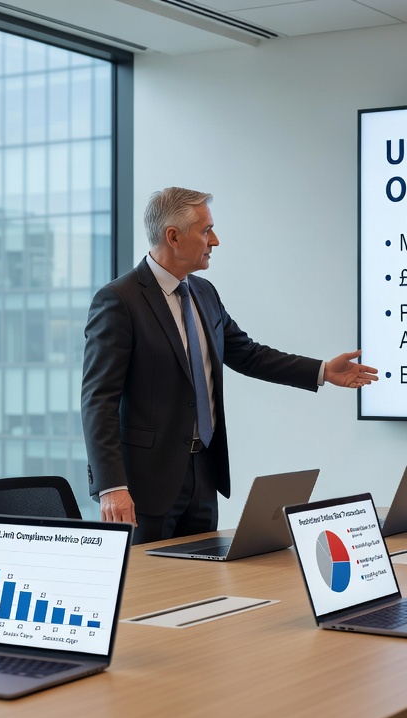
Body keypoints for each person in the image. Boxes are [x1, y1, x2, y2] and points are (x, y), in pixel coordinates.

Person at [81, 187, 377, 544]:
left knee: (202, 586)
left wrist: (323, 371)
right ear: (173, 236)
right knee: (147, 592)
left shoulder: (204, 293)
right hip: (145, 485)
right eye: (206, 230)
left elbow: (248, 354)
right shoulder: (119, 300)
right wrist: (112, 486)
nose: (215, 240)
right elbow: (98, 401)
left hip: (204, 475)